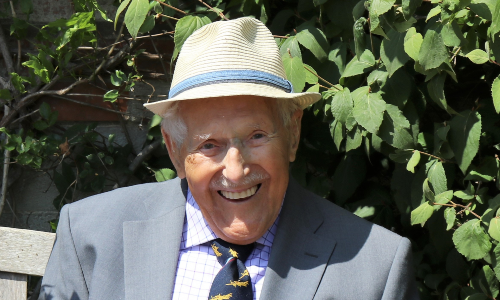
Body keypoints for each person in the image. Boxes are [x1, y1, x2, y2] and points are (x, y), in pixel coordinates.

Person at [39, 17, 419, 300]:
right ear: (174, 149)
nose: (235, 171)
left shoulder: (375, 265)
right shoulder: (89, 235)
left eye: (256, 136)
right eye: (209, 145)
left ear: (292, 134)